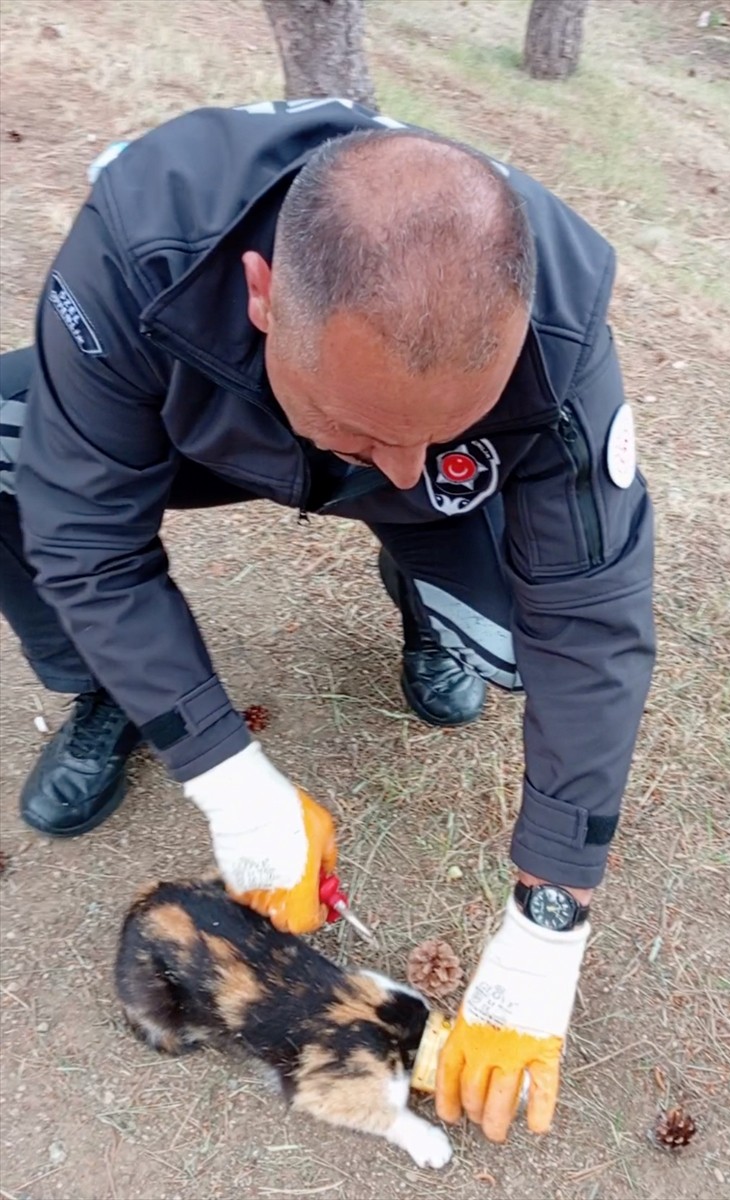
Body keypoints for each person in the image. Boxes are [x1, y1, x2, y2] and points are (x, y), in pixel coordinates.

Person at [0, 99, 655, 1144]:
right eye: (367, 429)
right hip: (216, 422)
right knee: (15, 464)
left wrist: (549, 917)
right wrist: (225, 774)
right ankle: (104, 694)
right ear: (261, 295)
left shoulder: (557, 329)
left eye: (432, 427)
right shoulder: (145, 242)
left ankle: (430, 611)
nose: (394, 468)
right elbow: (86, 538)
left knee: (520, 635)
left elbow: (591, 616)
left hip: (454, 477)